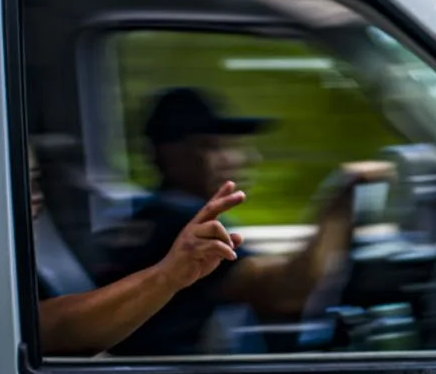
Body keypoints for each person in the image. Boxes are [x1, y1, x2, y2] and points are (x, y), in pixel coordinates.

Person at [89, 87, 388, 357]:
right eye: (214, 146)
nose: (241, 157)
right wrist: (342, 196)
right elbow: (287, 292)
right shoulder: (177, 227)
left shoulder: (151, 218)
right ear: (169, 155)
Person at [31, 144, 248, 357]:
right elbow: (51, 330)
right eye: (26, 184)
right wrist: (168, 274)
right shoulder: (170, 215)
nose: (37, 199)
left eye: (36, 183)